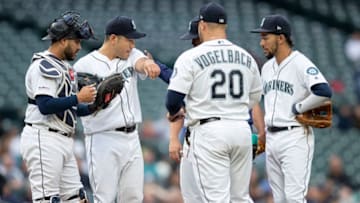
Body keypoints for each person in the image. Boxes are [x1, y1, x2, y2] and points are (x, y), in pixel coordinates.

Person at [166, 2, 262, 202]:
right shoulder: (246, 57)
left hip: (210, 132)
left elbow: (172, 100)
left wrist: (176, 111)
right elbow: (254, 99)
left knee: (216, 198)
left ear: (201, 26)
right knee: (240, 197)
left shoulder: (190, 56)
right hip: (241, 130)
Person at [73, 16, 160, 203]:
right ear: (113, 38)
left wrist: (149, 64)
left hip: (132, 138)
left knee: (134, 197)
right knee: (104, 197)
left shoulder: (131, 55)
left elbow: (142, 62)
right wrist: (93, 103)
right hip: (103, 138)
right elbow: (76, 107)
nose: (132, 44)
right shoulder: (84, 65)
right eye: (129, 39)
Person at [251, 14, 332, 202]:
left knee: (294, 198)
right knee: (279, 199)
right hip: (271, 137)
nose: (261, 43)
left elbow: (323, 90)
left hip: (294, 137)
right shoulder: (267, 68)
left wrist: (299, 107)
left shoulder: (300, 62)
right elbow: (257, 99)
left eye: (265, 37)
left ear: (281, 38)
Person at [20, 11, 96, 202]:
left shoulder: (65, 67)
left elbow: (68, 110)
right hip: (44, 138)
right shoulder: (43, 65)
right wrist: (78, 97)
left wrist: (95, 107)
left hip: (62, 139)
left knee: (76, 198)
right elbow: (45, 105)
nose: (79, 46)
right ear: (63, 40)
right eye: (76, 41)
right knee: (48, 199)